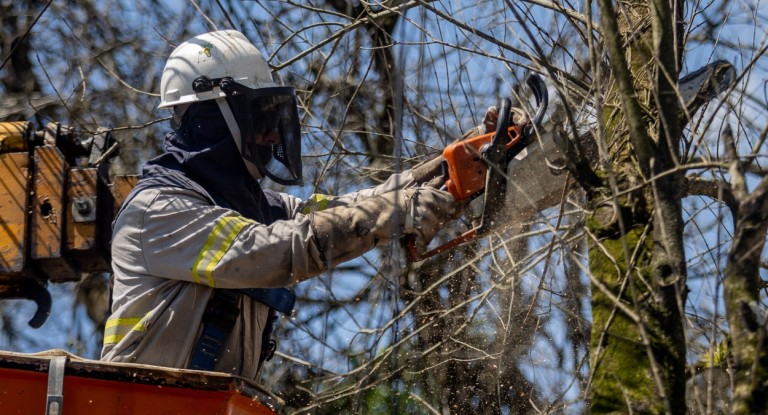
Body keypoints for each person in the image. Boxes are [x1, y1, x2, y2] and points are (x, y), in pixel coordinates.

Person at [100, 30, 493, 379]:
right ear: (212, 119)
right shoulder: (157, 210)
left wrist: (459, 162)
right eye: (260, 120)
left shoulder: (260, 209)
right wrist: (399, 210)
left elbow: (349, 209)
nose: (272, 135)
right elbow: (273, 250)